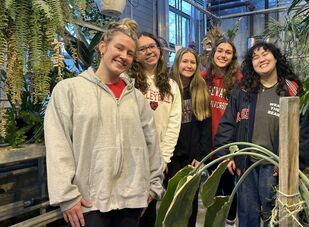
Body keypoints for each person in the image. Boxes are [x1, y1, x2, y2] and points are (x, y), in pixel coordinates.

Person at [44, 19, 164, 227]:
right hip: (89, 201)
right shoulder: (69, 90)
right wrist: (66, 195)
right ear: (102, 47)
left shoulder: (136, 98)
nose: (124, 56)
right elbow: (57, 144)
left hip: (132, 198)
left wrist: (154, 186)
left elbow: (151, 143)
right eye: (119, 48)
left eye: (129, 53)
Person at [215, 42, 309, 227]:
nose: (261, 59)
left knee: (274, 215)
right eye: (255, 57)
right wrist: (226, 154)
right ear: (251, 65)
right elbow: (227, 124)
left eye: (265, 54)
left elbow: (303, 131)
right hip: (247, 165)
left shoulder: (291, 90)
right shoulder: (243, 90)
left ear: (275, 58)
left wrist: (292, 164)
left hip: (275, 166)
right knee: (247, 215)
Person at [130, 32, 182, 227]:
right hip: (132, 157)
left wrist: (164, 159)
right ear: (135, 55)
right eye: (141, 49)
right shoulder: (129, 81)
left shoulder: (171, 85)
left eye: (152, 46)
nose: (148, 52)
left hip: (157, 158)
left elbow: (173, 124)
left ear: (159, 50)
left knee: (149, 209)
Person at [201, 38, 242, 226]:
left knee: (229, 187)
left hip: (228, 145)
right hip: (208, 145)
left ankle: (230, 221)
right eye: (220, 51)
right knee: (214, 186)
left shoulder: (239, 80)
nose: (223, 55)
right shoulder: (202, 78)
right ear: (213, 53)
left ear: (232, 57)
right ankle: (217, 221)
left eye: (227, 52)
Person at [169, 48, 212, 227]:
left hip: (192, 156)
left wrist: (201, 156)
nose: (188, 65)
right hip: (171, 155)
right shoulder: (168, 86)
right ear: (178, 63)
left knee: (191, 200)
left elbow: (206, 126)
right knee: (173, 201)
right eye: (185, 61)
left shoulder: (200, 88)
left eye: (192, 62)